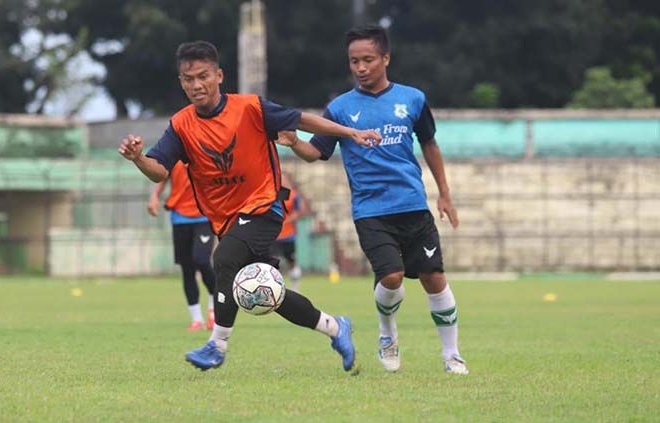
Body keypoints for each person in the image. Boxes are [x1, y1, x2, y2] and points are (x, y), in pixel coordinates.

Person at [118, 40, 381, 372]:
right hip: (227, 221)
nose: (196, 85)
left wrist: (350, 133)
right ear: (181, 82)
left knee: (223, 258)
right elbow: (159, 171)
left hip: (263, 206)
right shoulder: (182, 125)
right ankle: (335, 327)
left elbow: (302, 121)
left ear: (219, 76)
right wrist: (138, 157)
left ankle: (217, 345)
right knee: (265, 293)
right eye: (188, 79)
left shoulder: (250, 108)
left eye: (203, 76)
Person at [277, 24, 469, 375]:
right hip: (371, 210)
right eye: (354, 61)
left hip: (412, 204)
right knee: (392, 276)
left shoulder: (412, 99)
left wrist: (444, 194)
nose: (361, 67)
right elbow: (316, 152)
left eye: (368, 60)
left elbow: (430, 144)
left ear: (385, 58)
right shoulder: (339, 108)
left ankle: (452, 355)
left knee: (433, 277)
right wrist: (293, 142)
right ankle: (387, 333)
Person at [147, 161, 215, 332]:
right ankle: (196, 319)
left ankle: (214, 311)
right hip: (180, 217)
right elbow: (162, 174)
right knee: (187, 268)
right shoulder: (174, 149)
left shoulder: (207, 147)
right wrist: (155, 196)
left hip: (204, 216)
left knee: (202, 260)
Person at [270, 172, 305, 292]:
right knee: (273, 262)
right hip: (274, 236)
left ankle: (295, 287)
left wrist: (289, 219)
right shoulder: (274, 194)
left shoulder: (294, 196)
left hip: (289, 235)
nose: (282, 181)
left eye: (284, 179)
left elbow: (301, 211)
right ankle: (274, 288)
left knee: (291, 261)